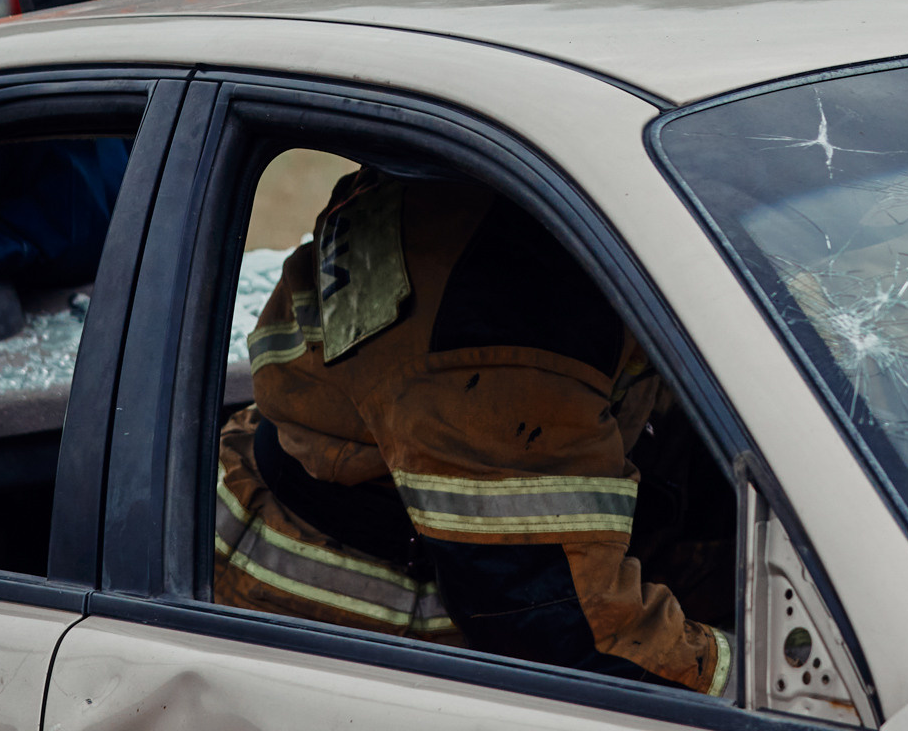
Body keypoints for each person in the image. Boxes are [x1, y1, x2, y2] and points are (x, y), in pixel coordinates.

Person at [215, 166, 732, 694]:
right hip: (349, 620)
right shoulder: (511, 325)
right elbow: (559, 620)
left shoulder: (463, 187)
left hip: (363, 494)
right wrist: (767, 682)